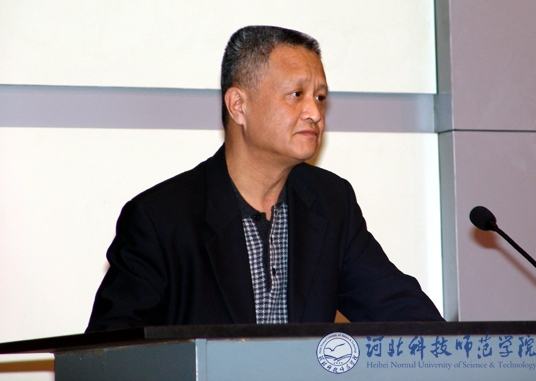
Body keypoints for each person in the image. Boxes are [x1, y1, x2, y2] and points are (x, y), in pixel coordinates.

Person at [86, 25, 443, 332]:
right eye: (296, 95)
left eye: (320, 97)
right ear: (238, 106)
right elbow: (110, 353)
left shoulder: (331, 203)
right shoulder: (160, 219)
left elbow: (403, 313)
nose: (315, 112)